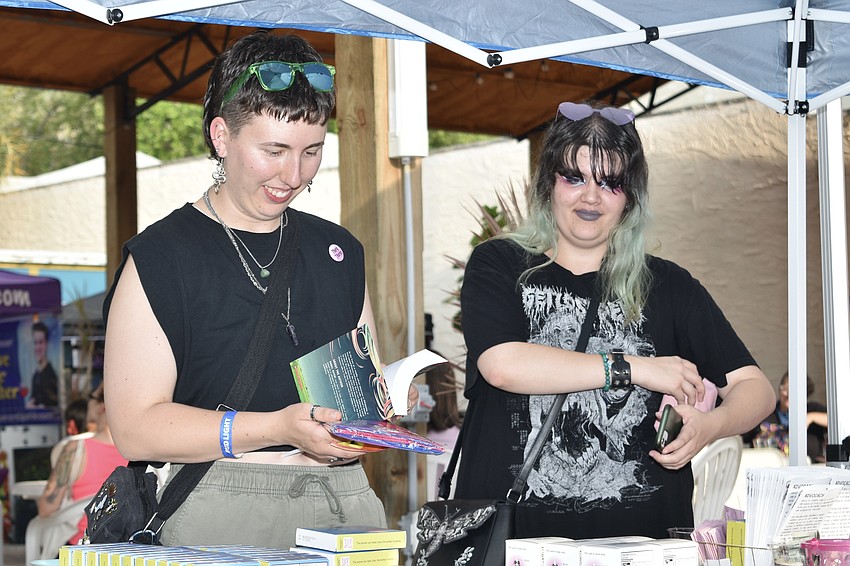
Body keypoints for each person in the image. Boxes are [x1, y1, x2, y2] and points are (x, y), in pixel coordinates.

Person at [102, 31, 404, 549]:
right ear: (221, 136)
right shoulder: (161, 257)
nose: (294, 174)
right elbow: (135, 428)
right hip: (219, 514)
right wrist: (276, 429)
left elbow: (351, 402)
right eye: (274, 150)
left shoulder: (340, 252)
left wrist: (382, 400)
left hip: (344, 507)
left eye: (312, 151)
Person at [455, 100, 776, 539]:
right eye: (574, 177)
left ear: (630, 198)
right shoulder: (499, 264)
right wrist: (634, 368)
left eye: (611, 183)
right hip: (515, 546)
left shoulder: (668, 285)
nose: (591, 196)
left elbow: (756, 390)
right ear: (548, 183)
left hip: (643, 547)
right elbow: (502, 365)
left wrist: (709, 426)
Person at [31, 384, 127, 553]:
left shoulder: (75, 448)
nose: (87, 402)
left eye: (91, 397)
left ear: (101, 406)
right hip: (125, 549)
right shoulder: (135, 450)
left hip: (82, 548)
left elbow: (46, 508)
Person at [743, 372, 828, 462]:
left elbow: (834, 422)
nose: (788, 395)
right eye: (786, 389)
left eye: (794, 390)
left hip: (808, 466)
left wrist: (811, 417)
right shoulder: (766, 413)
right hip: (769, 466)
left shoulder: (812, 409)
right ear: (780, 389)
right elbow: (745, 434)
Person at [30, 321, 59, 407]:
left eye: (41, 342)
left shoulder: (51, 375)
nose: (37, 347)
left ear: (46, 344)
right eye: (35, 343)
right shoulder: (35, 376)